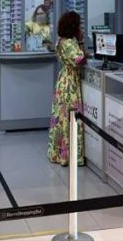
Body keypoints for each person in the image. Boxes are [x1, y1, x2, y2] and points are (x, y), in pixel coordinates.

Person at [47, 11, 86, 166]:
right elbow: (80, 60)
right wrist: (81, 41)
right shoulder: (69, 43)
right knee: (71, 118)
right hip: (70, 84)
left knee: (61, 118)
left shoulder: (61, 41)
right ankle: (70, 155)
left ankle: (59, 153)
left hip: (63, 81)